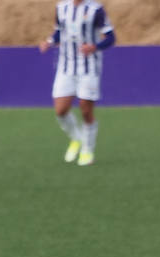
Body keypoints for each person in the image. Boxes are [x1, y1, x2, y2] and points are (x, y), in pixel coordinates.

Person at [39, 1, 116, 165]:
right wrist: (49, 41)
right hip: (66, 67)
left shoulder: (96, 10)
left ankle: (87, 151)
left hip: (88, 67)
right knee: (60, 110)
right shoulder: (61, 8)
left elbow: (111, 37)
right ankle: (77, 138)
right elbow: (59, 32)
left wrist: (94, 47)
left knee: (85, 109)